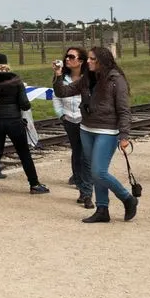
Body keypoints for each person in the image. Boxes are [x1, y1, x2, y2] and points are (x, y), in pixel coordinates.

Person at [52, 46, 138, 223]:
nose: (88, 62)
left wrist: (124, 135)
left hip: (107, 130)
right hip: (86, 129)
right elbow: (63, 92)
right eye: (88, 59)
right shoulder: (87, 78)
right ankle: (102, 209)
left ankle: (127, 198)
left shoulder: (116, 79)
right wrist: (58, 75)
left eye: (92, 59)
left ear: (102, 61)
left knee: (98, 171)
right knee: (95, 171)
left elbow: (124, 110)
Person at [0, 53, 49, 196]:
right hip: (14, 122)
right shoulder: (16, 80)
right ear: (6, 64)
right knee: (24, 154)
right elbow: (25, 105)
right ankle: (34, 184)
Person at [54, 47, 93, 208]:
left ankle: (86, 192)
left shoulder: (89, 77)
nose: (67, 60)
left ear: (81, 61)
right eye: (66, 57)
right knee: (76, 151)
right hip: (69, 118)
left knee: (85, 155)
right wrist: (61, 114)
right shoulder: (62, 77)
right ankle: (79, 182)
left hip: (85, 119)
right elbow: (56, 95)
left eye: (71, 57)